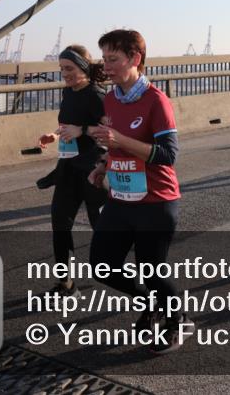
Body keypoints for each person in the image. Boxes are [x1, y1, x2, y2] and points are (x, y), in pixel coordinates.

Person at [87, 29, 187, 354]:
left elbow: (168, 155)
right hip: (120, 197)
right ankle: (153, 303)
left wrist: (120, 141)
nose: (106, 66)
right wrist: (103, 164)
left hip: (156, 201)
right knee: (102, 264)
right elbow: (113, 145)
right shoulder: (111, 98)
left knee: (153, 271)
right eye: (104, 59)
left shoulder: (156, 100)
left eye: (113, 59)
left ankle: (175, 320)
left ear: (135, 59)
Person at [36, 46, 108, 297]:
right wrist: (54, 134)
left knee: (102, 226)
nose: (64, 73)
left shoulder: (97, 95)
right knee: (60, 221)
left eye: (69, 68)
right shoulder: (68, 93)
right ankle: (65, 284)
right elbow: (67, 124)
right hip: (67, 167)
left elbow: (110, 134)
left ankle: (138, 281)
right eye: (61, 69)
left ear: (83, 68)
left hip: (92, 167)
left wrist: (82, 130)